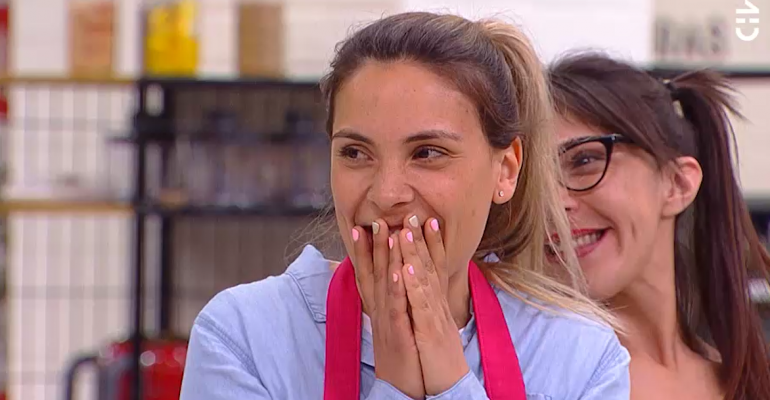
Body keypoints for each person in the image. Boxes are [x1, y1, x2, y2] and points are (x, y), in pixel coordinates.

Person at [180, 12, 631, 400]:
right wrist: (395, 383)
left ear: (506, 170)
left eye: (427, 153)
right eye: (355, 153)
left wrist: (450, 379)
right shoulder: (242, 339)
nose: (386, 193)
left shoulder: (581, 359)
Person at [547, 52, 770, 400]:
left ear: (677, 183)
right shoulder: (533, 377)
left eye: (584, 160)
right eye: (532, 181)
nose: (553, 203)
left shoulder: (744, 378)